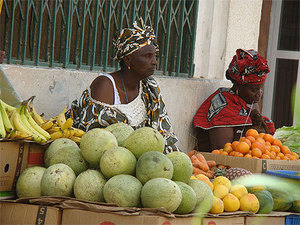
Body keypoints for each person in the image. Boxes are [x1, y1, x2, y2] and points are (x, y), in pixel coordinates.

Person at [66, 18, 179, 153]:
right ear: (128, 59)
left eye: (155, 56)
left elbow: (162, 135)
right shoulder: (105, 86)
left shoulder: (150, 88)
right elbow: (94, 140)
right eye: (148, 56)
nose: (154, 62)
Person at [193, 49, 275, 151]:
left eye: (261, 88)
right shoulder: (222, 106)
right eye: (254, 90)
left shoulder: (252, 103)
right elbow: (222, 151)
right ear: (238, 85)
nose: (259, 94)